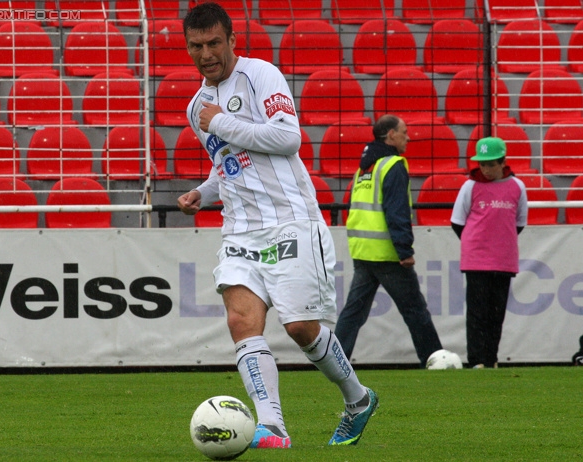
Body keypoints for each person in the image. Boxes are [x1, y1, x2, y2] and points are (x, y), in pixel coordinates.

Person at [177, 2, 378, 449]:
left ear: (231, 40)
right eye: (196, 46)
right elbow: (228, 164)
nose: (206, 53)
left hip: (290, 219)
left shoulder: (260, 75)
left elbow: (288, 138)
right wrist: (202, 193)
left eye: (214, 43)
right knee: (240, 320)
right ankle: (272, 428)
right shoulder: (197, 107)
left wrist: (224, 122)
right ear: (187, 47)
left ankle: (358, 399)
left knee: (300, 328)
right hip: (240, 229)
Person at [334, 115, 444, 368]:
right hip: (388, 254)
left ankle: (334, 361)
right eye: (404, 132)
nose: (409, 136)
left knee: (353, 313)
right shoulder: (393, 165)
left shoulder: (365, 167)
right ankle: (435, 359)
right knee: (416, 311)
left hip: (363, 251)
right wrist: (404, 250)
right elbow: (397, 212)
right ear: (391, 135)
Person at [450, 137, 528, 369]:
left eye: (491, 164)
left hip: (503, 260)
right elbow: (458, 221)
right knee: (477, 313)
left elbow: (519, 222)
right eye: (482, 164)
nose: (486, 169)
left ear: (503, 162)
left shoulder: (517, 187)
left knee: (496, 314)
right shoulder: (470, 186)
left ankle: (491, 358)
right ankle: (477, 360)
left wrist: (498, 242)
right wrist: (478, 243)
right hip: (476, 260)